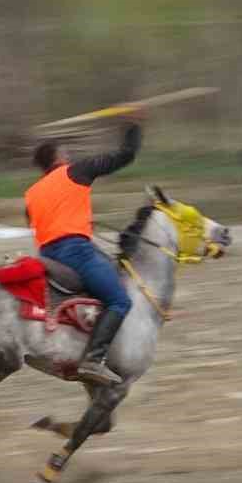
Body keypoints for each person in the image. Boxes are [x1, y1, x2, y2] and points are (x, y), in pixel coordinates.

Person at [25, 111, 145, 386]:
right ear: (57, 159)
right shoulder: (74, 172)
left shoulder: (32, 193)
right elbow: (125, 155)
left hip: (48, 255)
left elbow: (39, 222)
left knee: (108, 273)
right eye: (65, 153)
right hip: (75, 251)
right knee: (120, 300)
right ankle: (94, 358)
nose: (68, 156)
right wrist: (134, 125)